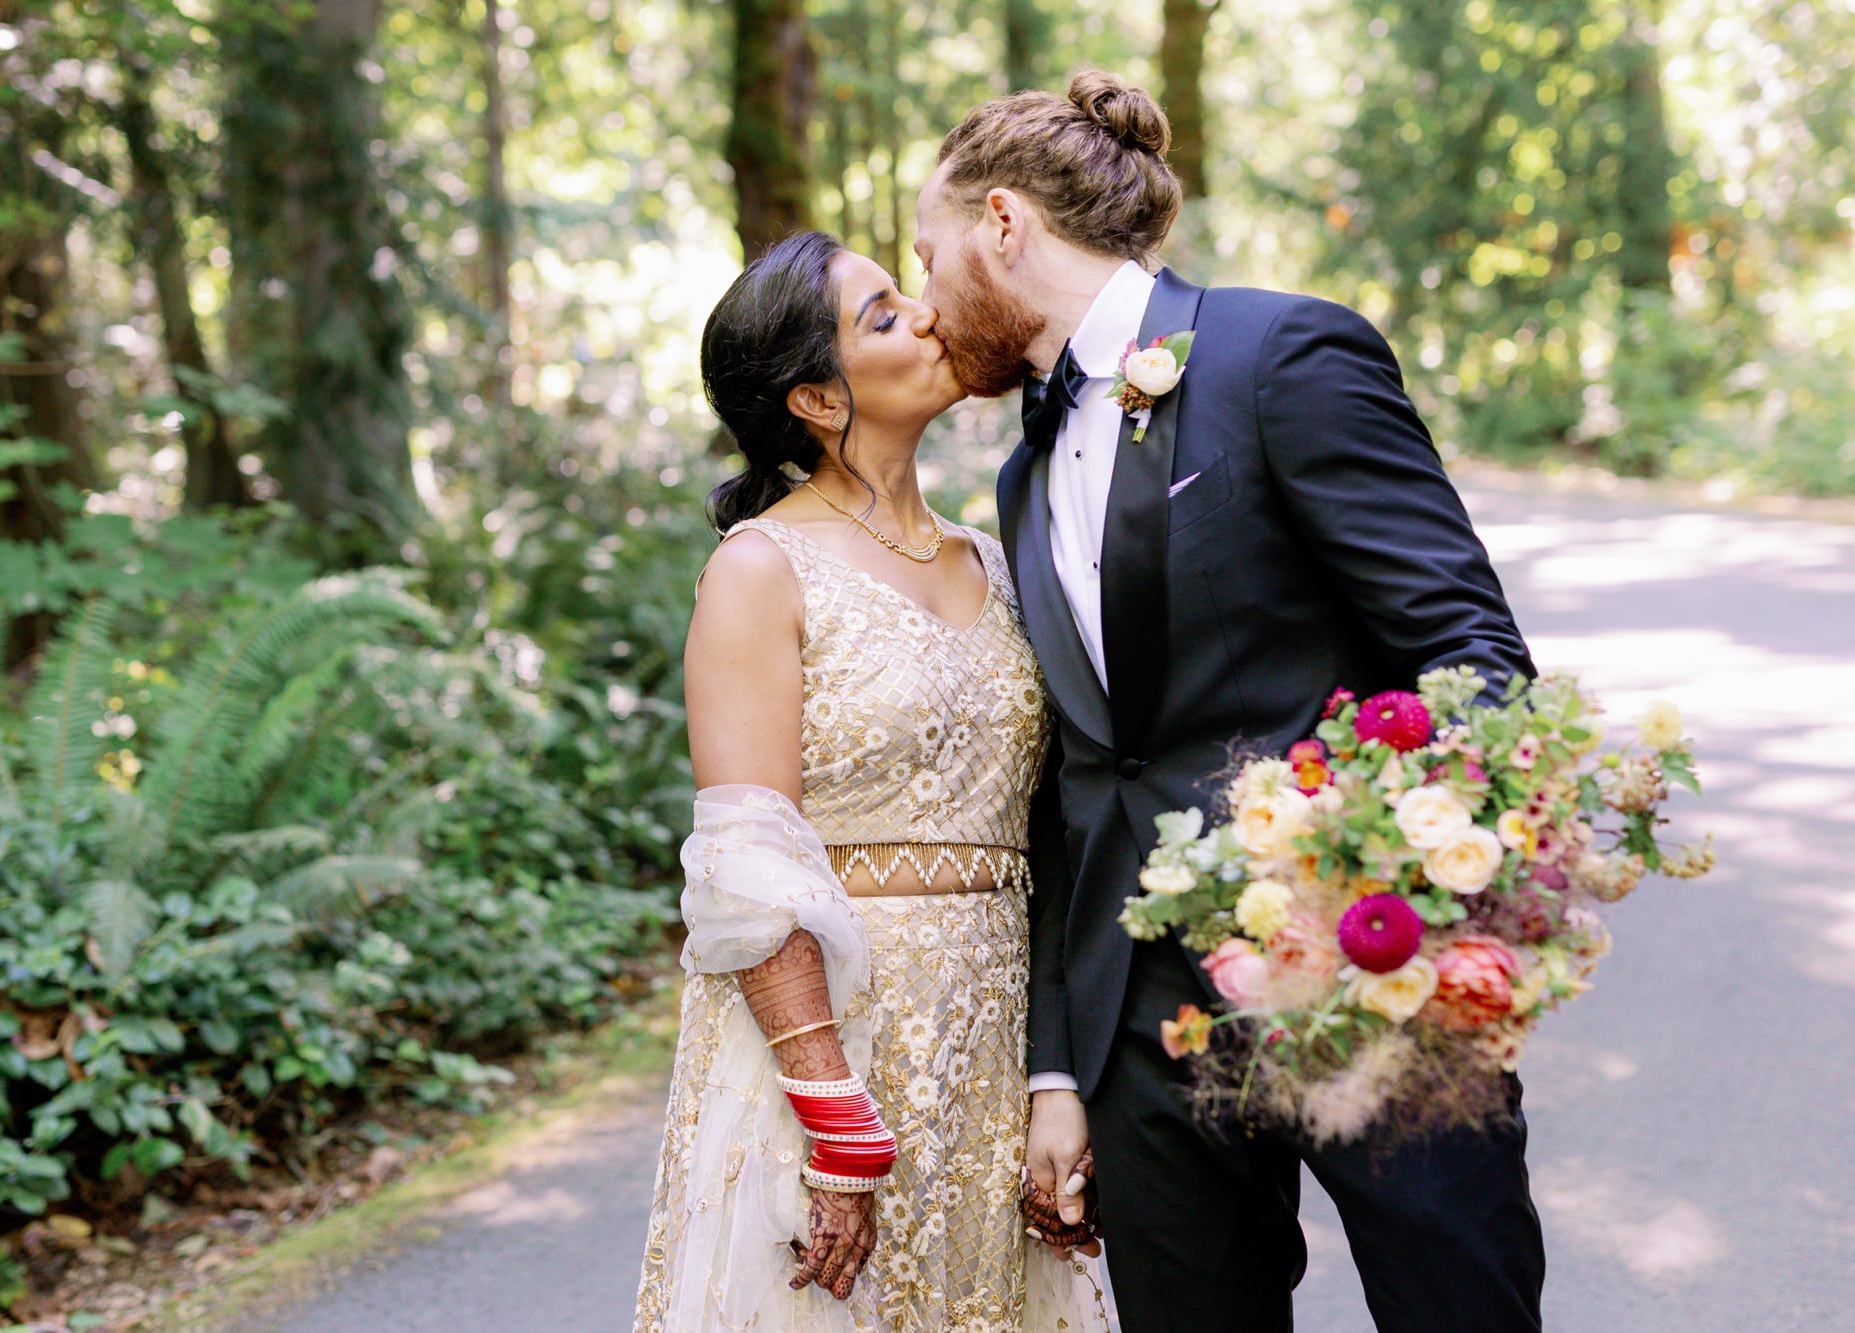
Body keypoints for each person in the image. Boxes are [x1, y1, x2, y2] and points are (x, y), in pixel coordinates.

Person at [911, 71, 1548, 1332]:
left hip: (1355, 985)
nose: (925, 299)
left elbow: (1470, 659)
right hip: (1139, 1026)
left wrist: (1391, 897)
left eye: (925, 254)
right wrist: (1057, 1059)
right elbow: (1075, 778)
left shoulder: (1282, 353)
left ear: (1000, 225)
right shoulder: (1021, 478)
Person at [633, 230, 1115, 1331]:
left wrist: (1060, 1073)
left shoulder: (993, 559)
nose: (931, 316)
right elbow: (746, 860)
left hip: (992, 1042)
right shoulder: (760, 568)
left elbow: (1055, 824)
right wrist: (830, 1115)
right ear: (814, 396)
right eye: (884, 316)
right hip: (835, 1047)